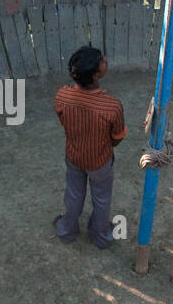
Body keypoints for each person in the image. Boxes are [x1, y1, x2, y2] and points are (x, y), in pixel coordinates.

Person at [53, 46, 126, 248]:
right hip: (100, 162)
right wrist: (103, 146)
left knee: (73, 195)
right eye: (102, 60)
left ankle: (66, 230)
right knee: (101, 199)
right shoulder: (112, 106)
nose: (105, 58)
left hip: (74, 157)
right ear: (96, 75)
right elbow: (118, 136)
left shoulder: (62, 96)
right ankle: (101, 237)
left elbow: (63, 122)